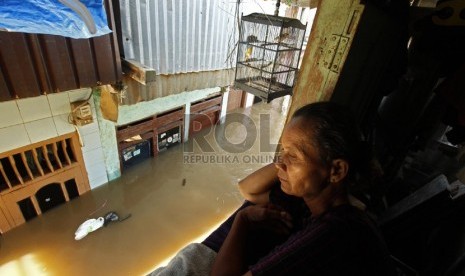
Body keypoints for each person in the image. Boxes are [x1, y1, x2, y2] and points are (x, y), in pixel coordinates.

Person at [210, 101, 396, 276]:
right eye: (282, 150)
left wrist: (242, 220)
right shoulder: (313, 201)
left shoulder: (334, 233)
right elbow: (247, 189)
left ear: (337, 170)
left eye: (294, 156)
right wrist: (290, 158)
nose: (278, 164)